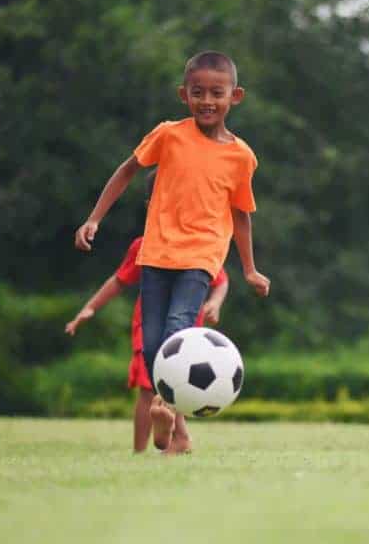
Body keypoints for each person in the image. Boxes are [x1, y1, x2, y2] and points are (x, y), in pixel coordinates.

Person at [74, 51, 269, 451]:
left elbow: (242, 215)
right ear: (184, 95)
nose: (207, 101)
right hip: (157, 254)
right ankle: (176, 428)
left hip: (201, 256)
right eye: (198, 92)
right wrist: (95, 218)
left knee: (177, 326)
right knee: (150, 345)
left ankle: (165, 408)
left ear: (236, 96)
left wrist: (249, 269)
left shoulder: (241, 156)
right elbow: (128, 170)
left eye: (217, 92)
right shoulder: (169, 134)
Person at [65, 235, 229, 455]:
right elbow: (119, 280)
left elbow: (220, 280)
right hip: (149, 326)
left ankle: (177, 438)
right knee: (148, 387)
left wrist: (215, 303)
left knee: (175, 381)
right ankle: (144, 450)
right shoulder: (144, 245)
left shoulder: (196, 242)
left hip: (189, 334)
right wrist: (91, 307)